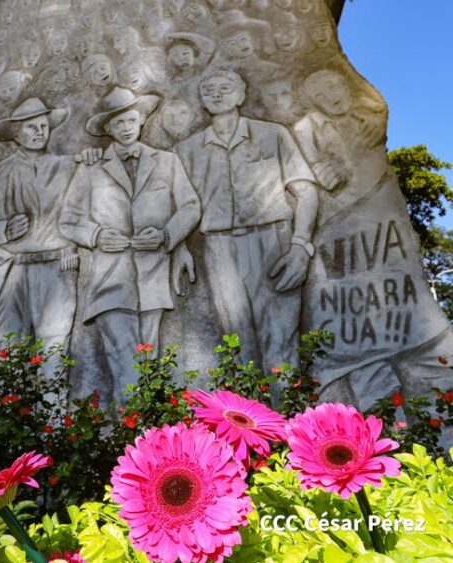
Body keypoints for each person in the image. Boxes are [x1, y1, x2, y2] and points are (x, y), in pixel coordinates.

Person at [60, 87, 201, 403]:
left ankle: (147, 438)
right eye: (118, 123)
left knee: (148, 362)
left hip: (152, 278)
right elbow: (68, 219)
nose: (125, 128)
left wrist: (167, 236)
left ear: (141, 121)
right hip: (110, 280)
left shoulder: (167, 161)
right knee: (126, 362)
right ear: (108, 129)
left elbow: (190, 206)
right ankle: (130, 436)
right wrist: (95, 235)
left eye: (131, 120)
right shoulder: (91, 168)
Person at [175, 70, 319, 373]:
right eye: (208, 90)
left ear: (241, 95)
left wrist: (300, 246)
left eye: (225, 88)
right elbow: (177, 207)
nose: (216, 94)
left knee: (281, 337)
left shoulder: (273, 134)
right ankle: (248, 418)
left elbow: (305, 191)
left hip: (273, 241)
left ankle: (287, 418)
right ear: (201, 100)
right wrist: (178, 249)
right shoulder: (186, 151)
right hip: (219, 248)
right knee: (236, 342)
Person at [0, 98, 80, 390]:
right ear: (16, 134)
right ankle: (14, 431)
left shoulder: (68, 167)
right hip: (10, 273)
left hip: (55, 269)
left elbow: (88, 210)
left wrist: (73, 246)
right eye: (31, 127)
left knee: (54, 353)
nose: (40, 132)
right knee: (10, 355)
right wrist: (0, 230)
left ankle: (51, 431)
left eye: (44, 126)